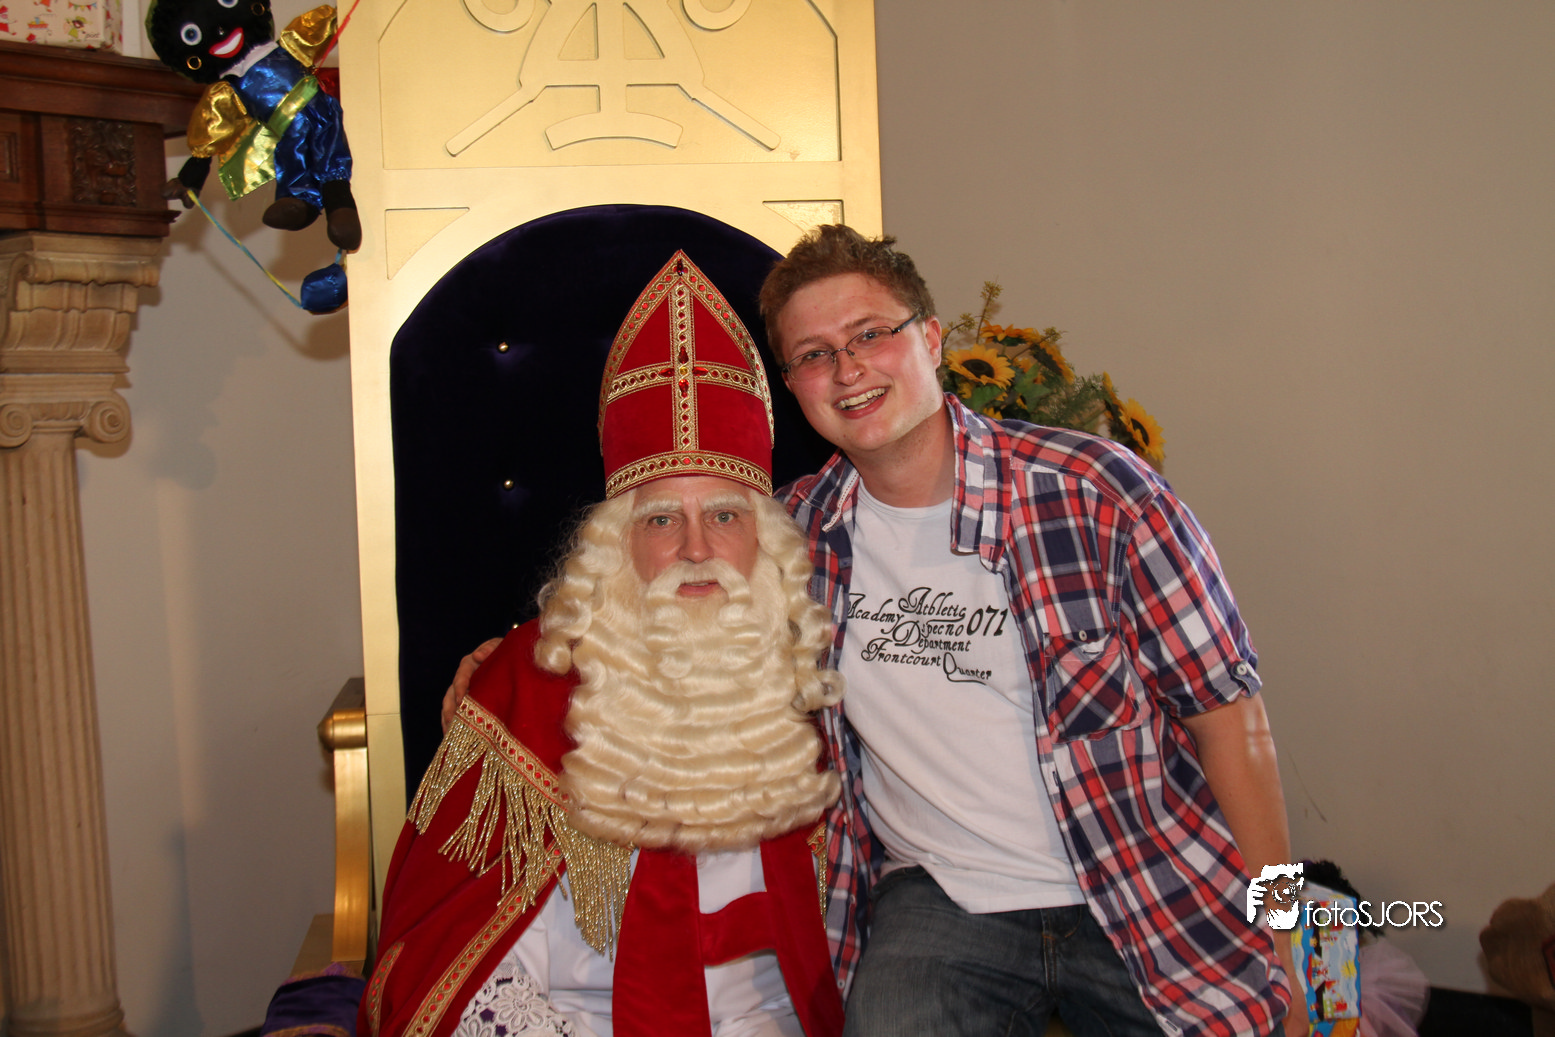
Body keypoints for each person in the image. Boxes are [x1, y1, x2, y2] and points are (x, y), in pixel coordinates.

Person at [452, 227, 1301, 1037]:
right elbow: (654, 580)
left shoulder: (1100, 494)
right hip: (942, 904)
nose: (848, 368)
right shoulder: (793, 536)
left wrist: (1283, 936)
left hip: (1144, 881)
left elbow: (1234, 723)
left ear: (929, 338)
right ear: (793, 385)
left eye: (869, 334)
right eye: (814, 353)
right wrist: (510, 664)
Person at [364, 252, 846, 1037]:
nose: (695, 547)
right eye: (660, 519)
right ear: (617, 542)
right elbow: (450, 936)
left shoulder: (823, 673)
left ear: (766, 537)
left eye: (725, 515)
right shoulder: (526, 680)